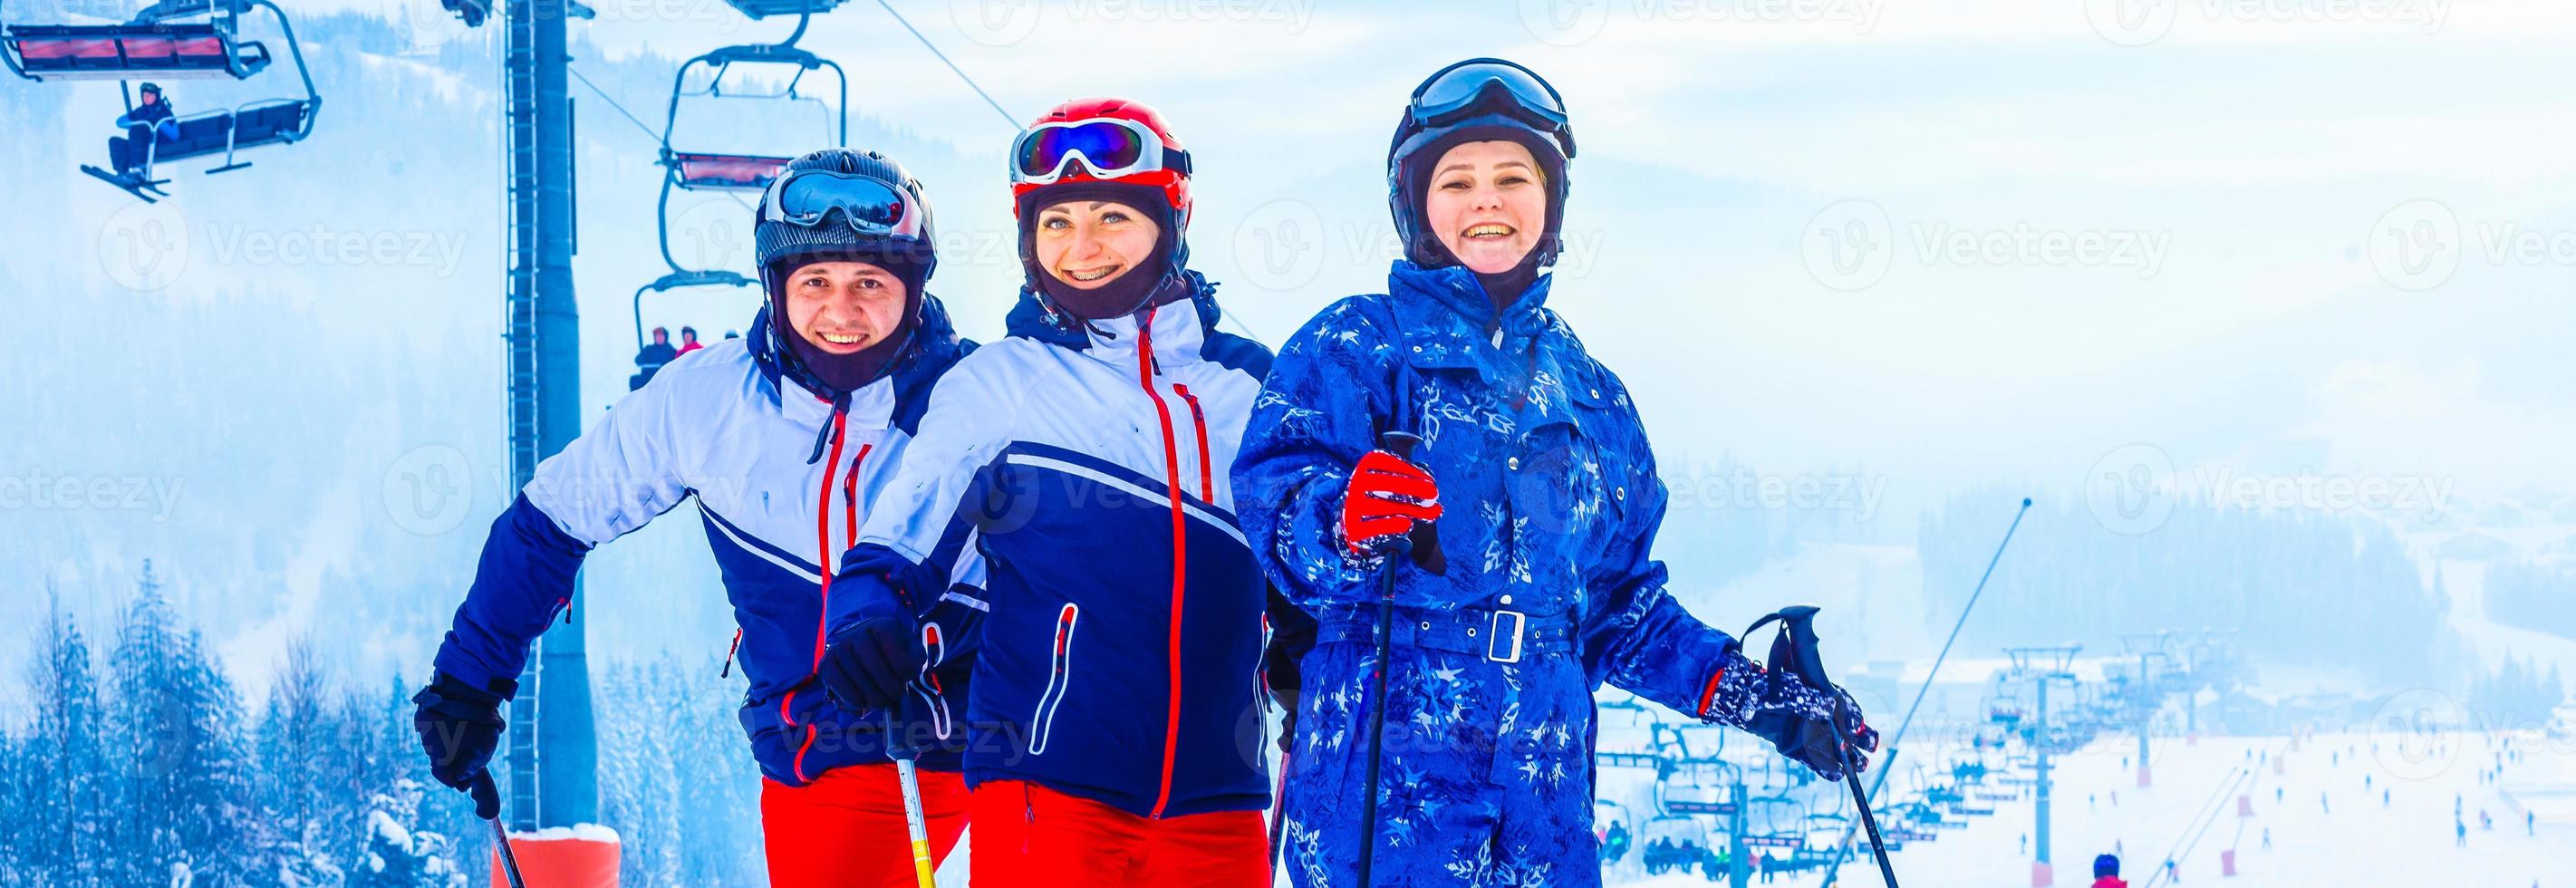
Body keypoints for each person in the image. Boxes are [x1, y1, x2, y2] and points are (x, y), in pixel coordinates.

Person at [1234, 58, 1877, 887]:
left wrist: (1757, 701)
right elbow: (1273, 502)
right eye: (1456, 181)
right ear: (1416, 206)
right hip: (1384, 785)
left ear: (1551, 200)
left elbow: (1618, 612)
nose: (1486, 200)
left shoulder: (1590, 396)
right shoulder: (1358, 345)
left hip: (1544, 800)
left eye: (1513, 177)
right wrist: (1341, 521)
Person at [412, 149, 983, 888]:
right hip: (829, 754)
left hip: (988, 734)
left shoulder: (976, 399)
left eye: (870, 283)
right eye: (815, 282)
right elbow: (551, 520)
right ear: (775, 287)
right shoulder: (709, 403)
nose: (842, 312)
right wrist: (469, 679)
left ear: (912, 287)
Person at [820, 97, 1278, 884]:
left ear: (1170, 220)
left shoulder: (1249, 386)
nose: (1083, 246)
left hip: (1219, 797)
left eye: (1112, 217)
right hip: (1047, 786)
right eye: (1055, 223)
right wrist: (867, 615)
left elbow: (1302, 556)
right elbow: (904, 534)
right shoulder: (1001, 383)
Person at [108, 82, 178, 179]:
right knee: (115, 141)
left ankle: (140, 168)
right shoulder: (140, 111)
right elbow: (120, 122)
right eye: (144, 95)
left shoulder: (163, 111)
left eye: (150, 95)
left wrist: (156, 121)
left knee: (139, 129)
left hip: (158, 142)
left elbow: (175, 135)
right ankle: (122, 172)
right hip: (140, 143)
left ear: (156, 96)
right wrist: (132, 117)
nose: (147, 98)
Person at [632, 326, 680, 390]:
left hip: (663, 378)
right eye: (657, 336)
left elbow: (675, 363)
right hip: (648, 378)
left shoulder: (671, 351)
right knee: (634, 380)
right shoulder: (648, 349)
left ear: (665, 337)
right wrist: (643, 359)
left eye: (661, 336)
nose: (659, 338)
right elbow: (637, 360)